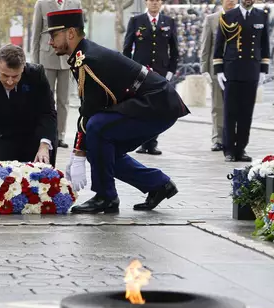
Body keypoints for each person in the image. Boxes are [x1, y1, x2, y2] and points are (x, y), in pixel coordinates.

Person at [45, 9, 189, 214]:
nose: (50, 42)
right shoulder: (82, 56)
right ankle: (159, 185)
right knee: (102, 148)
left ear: (70, 33)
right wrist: (81, 151)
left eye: (53, 36)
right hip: (149, 102)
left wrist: (78, 154)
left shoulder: (88, 59)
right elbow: (91, 107)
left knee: (97, 128)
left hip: (157, 103)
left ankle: (106, 196)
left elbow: (90, 112)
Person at [0, 44, 57, 165]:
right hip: (2, 135)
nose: (10, 81)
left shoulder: (36, 75)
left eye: (15, 76)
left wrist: (44, 145)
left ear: (23, 67)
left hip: (35, 133)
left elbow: (48, 112)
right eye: (5, 75)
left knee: (43, 164)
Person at [213, 0, 270, 163]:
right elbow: (219, 44)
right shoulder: (228, 16)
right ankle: (229, 149)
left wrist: (263, 69)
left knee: (246, 113)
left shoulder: (261, 16)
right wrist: (219, 70)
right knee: (231, 112)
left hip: (252, 70)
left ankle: (241, 148)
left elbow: (264, 43)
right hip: (232, 69)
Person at [123, 0, 179, 156]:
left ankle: (152, 143)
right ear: (146, 3)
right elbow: (127, 47)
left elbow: (174, 49)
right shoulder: (136, 21)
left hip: (160, 71)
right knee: (142, 107)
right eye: (151, 0)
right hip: (141, 71)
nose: (154, 3)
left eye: (157, 1)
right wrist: (128, 69)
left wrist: (171, 71)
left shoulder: (168, 21)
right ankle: (142, 142)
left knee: (158, 108)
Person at [31, 0, 82, 149]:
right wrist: (35, 63)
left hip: (68, 58)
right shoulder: (42, 3)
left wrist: (79, 56)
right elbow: (36, 34)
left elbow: (79, 32)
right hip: (46, 58)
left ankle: (60, 135)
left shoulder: (75, 3)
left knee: (64, 100)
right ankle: (45, 133)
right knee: (45, 98)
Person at [200, 0, 237, 152]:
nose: (231, 2)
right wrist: (204, 69)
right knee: (218, 106)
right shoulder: (212, 19)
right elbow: (205, 45)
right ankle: (218, 139)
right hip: (216, 68)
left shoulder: (241, 18)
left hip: (236, 69)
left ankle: (232, 138)